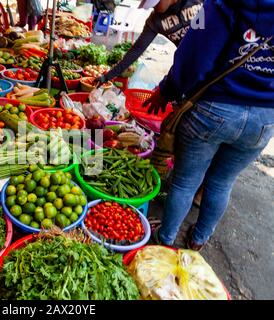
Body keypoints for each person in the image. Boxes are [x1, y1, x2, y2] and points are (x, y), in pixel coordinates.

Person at [145, 0, 274, 251]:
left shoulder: (220, 5)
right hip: (264, 118)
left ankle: (167, 238)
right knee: (222, 182)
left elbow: (194, 58)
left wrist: (166, 90)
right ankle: (198, 239)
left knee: (185, 181)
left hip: (214, 110)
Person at [97, 0, 204, 84]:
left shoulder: (197, 2)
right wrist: (107, 76)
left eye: (156, 3)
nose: (154, 7)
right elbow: (136, 50)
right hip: (188, 67)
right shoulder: (154, 21)